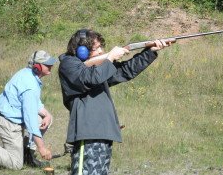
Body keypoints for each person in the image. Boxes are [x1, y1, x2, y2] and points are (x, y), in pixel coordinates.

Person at [58, 29, 169, 175]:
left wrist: (149, 52)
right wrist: (109, 58)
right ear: (81, 51)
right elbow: (89, 78)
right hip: (89, 133)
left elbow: (124, 71)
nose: (101, 51)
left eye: (101, 48)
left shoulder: (98, 68)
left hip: (104, 132)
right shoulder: (69, 65)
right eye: (96, 48)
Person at [0, 50, 56, 170]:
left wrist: (46, 114)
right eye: (47, 64)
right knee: (16, 164)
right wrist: (42, 148)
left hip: (11, 117)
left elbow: (34, 103)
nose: (51, 66)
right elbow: (30, 120)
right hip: (6, 122)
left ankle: (27, 154)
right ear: (37, 66)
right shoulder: (30, 85)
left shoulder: (28, 74)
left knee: (46, 118)